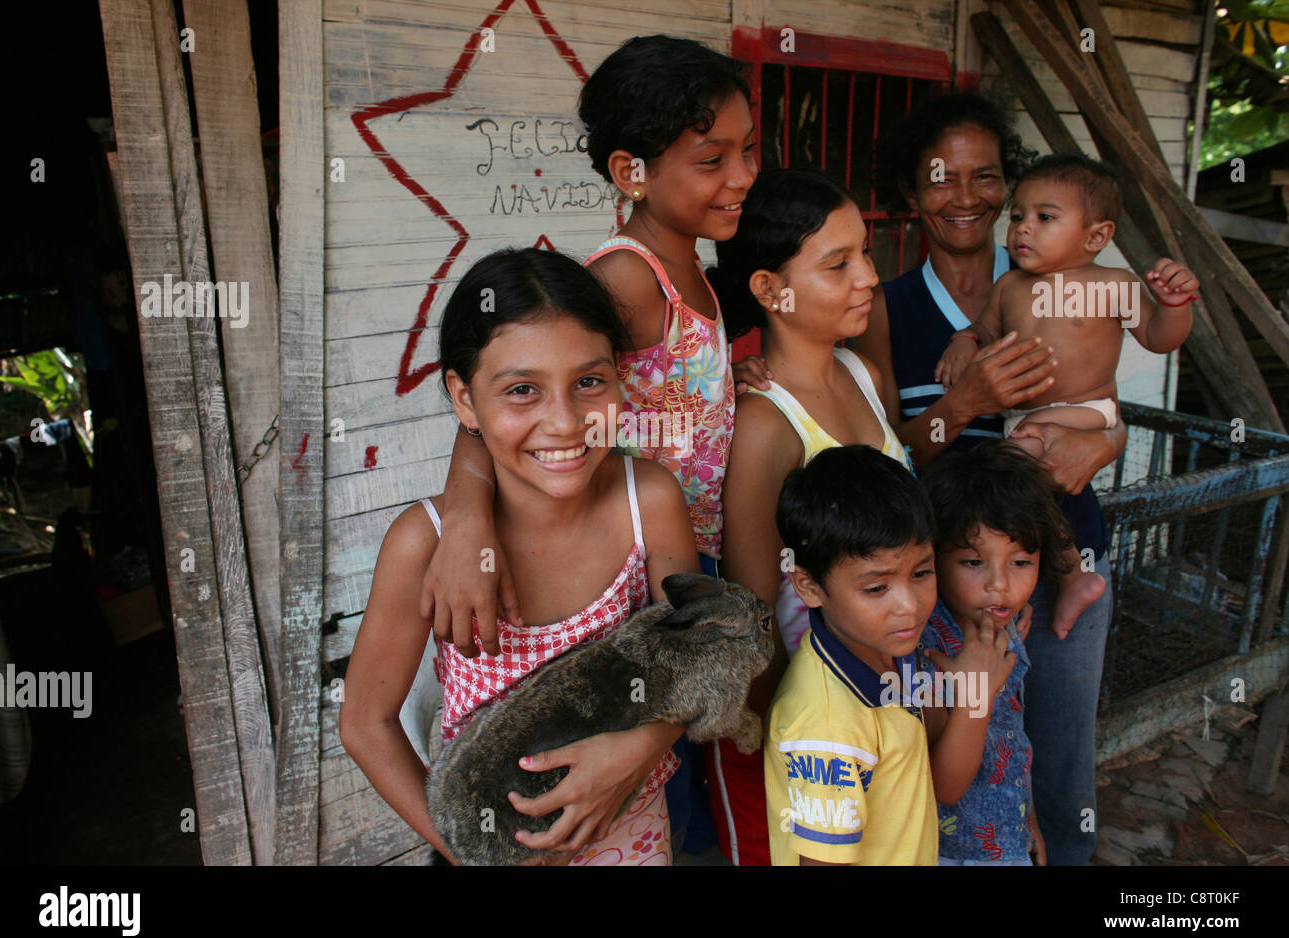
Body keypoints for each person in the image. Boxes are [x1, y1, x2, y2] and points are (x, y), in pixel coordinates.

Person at [418, 34, 766, 855]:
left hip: (684, 555)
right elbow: (512, 399)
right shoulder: (627, 278)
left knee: (665, 774)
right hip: (632, 560)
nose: (743, 175)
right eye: (712, 159)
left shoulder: (697, 275)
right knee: (640, 772)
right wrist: (467, 518)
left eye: (748, 151)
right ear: (630, 172)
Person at [339, 248, 699, 865]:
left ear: (620, 376)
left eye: (589, 382)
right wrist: (469, 852)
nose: (564, 422)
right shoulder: (423, 543)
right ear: (464, 398)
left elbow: (696, 652)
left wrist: (640, 746)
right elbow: (365, 724)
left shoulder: (650, 501)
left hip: (634, 833)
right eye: (522, 390)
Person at [856, 92, 1125, 865]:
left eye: (986, 176)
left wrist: (1108, 440)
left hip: (1064, 553)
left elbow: (1101, 403)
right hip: (943, 578)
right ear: (911, 193)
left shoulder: (1061, 277)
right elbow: (889, 461)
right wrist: (964, 403)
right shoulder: (887, 308)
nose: (965, 196)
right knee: (963, 765)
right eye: (940, 178)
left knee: (1063, 761)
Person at [701, 167, 909, 864]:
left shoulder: (864, 376)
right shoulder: (766, 423)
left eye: (866, 254)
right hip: (805, 725)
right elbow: (754, 608)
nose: (868, 278)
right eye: (838, 263)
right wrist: (779, 744)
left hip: (880, 702)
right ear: (768, 290)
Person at [935, 154, 1195, 638]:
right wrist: (962, 342)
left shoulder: (1112, 285)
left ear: (1096, 236)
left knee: (1003, 474)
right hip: (1025, 419)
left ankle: (1073, 575)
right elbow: (982, 330)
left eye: (1044, 217)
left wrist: (1175, 306)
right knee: (1027, 492)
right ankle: (1048, 575)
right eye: (1017, 216)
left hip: (1085, 414)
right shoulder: (1009, 285)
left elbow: (1160, 337)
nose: (1023, 229)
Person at [764, 445, 938, 865]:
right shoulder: (828, 727)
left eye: (922, 572)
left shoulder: (888, 647)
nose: (910, 606)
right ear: (808, 586)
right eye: (877, 588)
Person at [918, 442, 1079, 865]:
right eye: (973, 563)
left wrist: (1027, 821)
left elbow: (1012, 738)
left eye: (1021, 563)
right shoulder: (928, 650)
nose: (1000, 585)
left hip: (1008, 838)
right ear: (933, 557)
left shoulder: (1005, 627)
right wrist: (977, 695)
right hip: (953, 854)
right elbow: (944, 786)